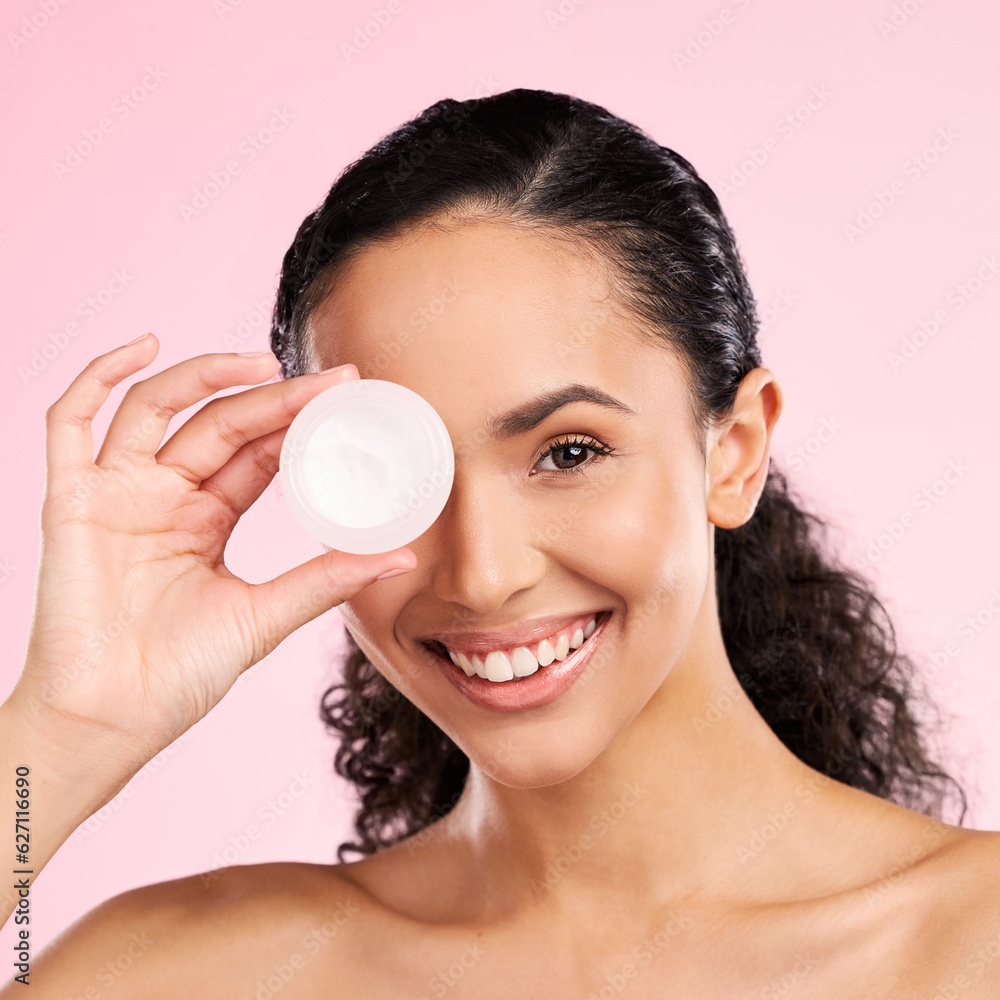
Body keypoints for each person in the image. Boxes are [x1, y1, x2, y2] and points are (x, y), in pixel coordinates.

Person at [2, 87, 999, 997]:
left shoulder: (968, 943)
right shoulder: (194, 971)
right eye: (403, 472)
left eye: (567, 452)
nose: (480, 573)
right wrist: (66, 729)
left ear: (732, 451)